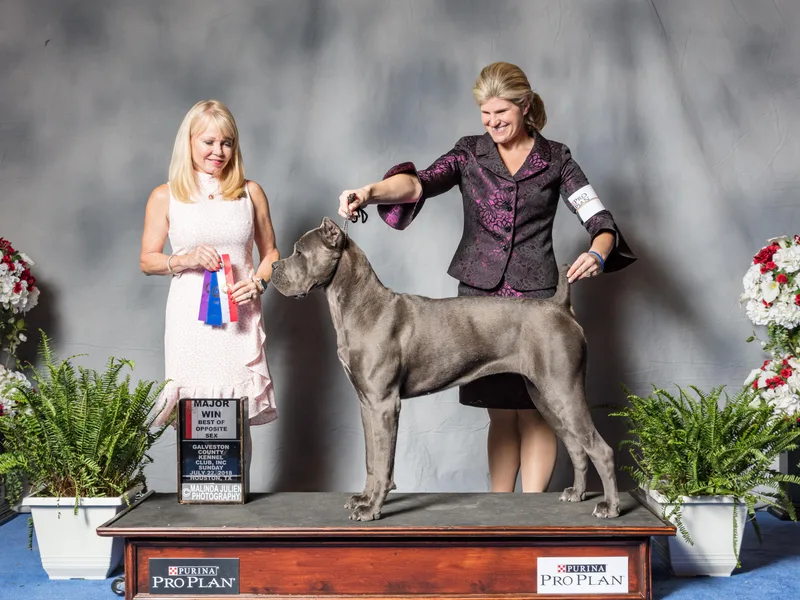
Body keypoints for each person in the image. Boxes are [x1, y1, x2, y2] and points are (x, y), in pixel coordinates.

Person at [338, 62, 635, 493]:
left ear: (526, 106)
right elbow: (419, 184)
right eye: (485, 115)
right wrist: (370, 191)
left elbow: (600, 220)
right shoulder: (468, 152)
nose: (493, 123)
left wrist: (597, 252)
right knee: (499, 410)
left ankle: (530, 512)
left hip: (535, 303)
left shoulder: (557, 159)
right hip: (475, 305)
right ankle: (501, 510)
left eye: (502, 114)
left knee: (538, 408)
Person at [140, 99, 279, 427]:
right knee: (194, 417)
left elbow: (271, 254)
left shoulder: (250, 193)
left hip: (239, 319)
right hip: (191, 322)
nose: (218, 151)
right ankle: (195, 481)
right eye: (209, 142)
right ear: (189, 142)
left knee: (236, 418)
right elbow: (147, 260)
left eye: (226, 143)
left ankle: (238, 482)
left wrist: (259, 282)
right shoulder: (165, 195)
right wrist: (186, 259)